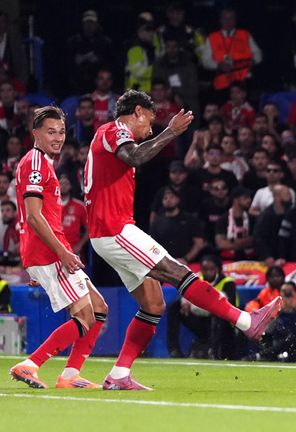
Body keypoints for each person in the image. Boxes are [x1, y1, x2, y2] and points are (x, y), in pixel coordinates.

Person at [83, 90, 281, 390]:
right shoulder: (114, 129)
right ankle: (245, 322)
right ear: (136, 111)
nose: (149, 129)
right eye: (148, 121)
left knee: (153, 305)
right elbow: (134, 157)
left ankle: (120, 374)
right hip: (114, 230)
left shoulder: (109, 135)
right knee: (178, 273)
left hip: (110, 232)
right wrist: (170, 132)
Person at [9, 106, 108, 389]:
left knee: (99, 308)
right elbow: (33, 215)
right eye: (50, 131)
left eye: (61, 131)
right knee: (87, 315)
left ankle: (69, 375)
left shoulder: (41, 163)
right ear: (35, 134)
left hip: (46, 250)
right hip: (50, 251)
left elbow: (27, 218)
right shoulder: (36, 164)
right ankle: (29, 365)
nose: (57, 137)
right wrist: (60, 253)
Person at [166, 255, 238, 359]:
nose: (208, 272)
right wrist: (184, 300)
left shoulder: (228, 282)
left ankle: (213, 351)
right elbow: (185, 294)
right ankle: (174, 349)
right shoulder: (196, 279)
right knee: (175, 306)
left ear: (217, 269)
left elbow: (228, 304)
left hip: (224, 325)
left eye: (211, 269)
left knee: (218, 310)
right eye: (205, 269)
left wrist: (198, 303)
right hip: (201, 320)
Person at [202, 7, 262, 94]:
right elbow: (205, 61)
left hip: (243, 83)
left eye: (231, 18)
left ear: (235, 20)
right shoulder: (212, 37)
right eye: (225, 18)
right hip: (222, 84)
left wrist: (252, 61)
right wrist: (218, 65)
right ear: (220, 20)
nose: (228, 21)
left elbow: (258, 54)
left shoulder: (245, 35)